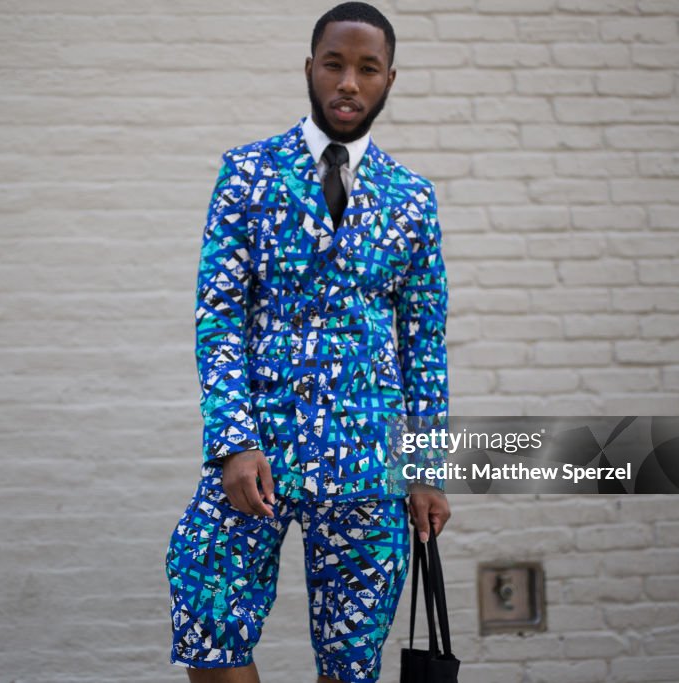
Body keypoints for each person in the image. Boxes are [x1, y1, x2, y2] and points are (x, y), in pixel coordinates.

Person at [165, 3, 451, 682]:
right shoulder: (248, 171)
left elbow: (425, 342)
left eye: (367, 68)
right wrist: (234, 441)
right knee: (207, 613)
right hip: (259, 457)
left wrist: (426, 467)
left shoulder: (412, 197)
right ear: (310, 69)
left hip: (368, 465)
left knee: (351, 663)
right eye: (335, 64)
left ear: (388, 80)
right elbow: (218, 315)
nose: (349, 82)